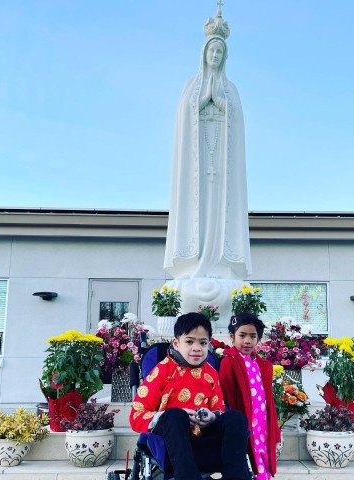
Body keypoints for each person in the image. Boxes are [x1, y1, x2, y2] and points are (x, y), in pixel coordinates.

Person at [163, 21, 252, 282]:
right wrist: (204, 99)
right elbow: (184, 115)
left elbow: (236, 119)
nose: (215, 56)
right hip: (198, 161)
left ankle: (220, 261)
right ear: (204, 54)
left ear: (224, 58)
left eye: (219, 53)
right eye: (212, 52)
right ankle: (195, 261)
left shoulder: (230, 88)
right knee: (197, 208)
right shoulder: (191, 84)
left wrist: (220, 100)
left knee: (220, 206)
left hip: (222, 163)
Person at [129, 312, 250, 480]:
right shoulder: (162, 372)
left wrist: (212, 417)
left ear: (208, 344)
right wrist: (171, 416)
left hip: (204, 440)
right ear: (176, 343)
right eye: (189, 341)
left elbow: (219, 410)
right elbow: (136, 416)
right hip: (172, 443)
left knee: (236, 418)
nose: (196, 348)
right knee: (175, 414)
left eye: (202, 342)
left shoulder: (211, 373)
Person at [219, 313, 281, 479]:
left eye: (252, 336)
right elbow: (228, 395)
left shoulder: (262, 364)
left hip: (262, 421)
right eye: (242, 335)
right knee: (248, 459)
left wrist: (274, 428)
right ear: (232, 337)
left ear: (258, 338)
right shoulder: (229, 361)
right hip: (244, 420)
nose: (247, 341)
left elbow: (269, 399)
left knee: (263, 456)